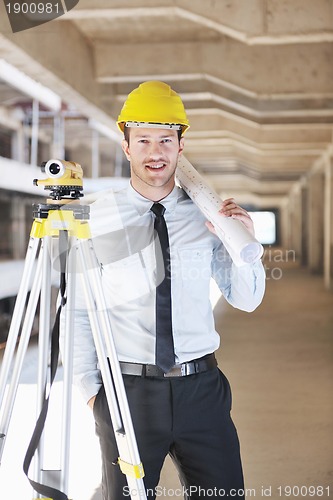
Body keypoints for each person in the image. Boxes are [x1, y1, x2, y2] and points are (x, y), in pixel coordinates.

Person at [64, 81, 265, 499]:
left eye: (164, 140)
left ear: (180, 145)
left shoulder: (210, 218)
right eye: (143, 141)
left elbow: (247, 300)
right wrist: (93, 396)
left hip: (201, 389)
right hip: (127, 392)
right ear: (126, 147)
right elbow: (79, 311)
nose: (155, 152)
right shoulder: (96, 219)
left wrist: (246, 244)